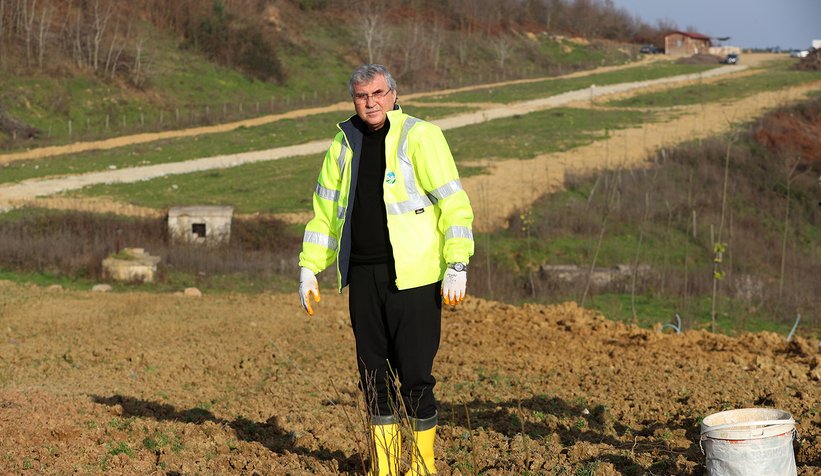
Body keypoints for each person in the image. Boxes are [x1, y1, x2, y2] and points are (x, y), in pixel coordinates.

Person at [297, 64, 474, 475]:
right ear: (353, 101)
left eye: (378, 93)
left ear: (393, 95)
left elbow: (454, 204)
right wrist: (309, 268)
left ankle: (422, 468)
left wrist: (457, 262)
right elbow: (325, 214)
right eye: (362, 96)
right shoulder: (343, 144)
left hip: (414, 278)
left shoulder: (421, 136)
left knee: (415, 376)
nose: (371, 102)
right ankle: (386, 467)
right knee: (373, 377)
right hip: (363, 277)